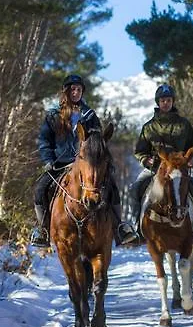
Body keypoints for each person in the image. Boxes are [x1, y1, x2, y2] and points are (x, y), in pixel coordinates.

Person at [31, 74, 138, 247]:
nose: (76, 92)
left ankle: (120, 228)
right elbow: (44, 141)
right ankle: (43, 230)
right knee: (40, 189)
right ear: (66, 91)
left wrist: (101, 161)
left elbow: (98, 141)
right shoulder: (53, 116)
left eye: (79, 90)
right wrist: (48, 159)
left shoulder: (89, 115)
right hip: (59, 164)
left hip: (86, 165)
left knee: (112, 188)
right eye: (72, 89)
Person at [127, 83, 193, 245]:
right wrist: (146, 160)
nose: (166, 103)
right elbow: (140, 151)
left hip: (181, 167)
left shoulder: (184, 124)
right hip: (157, 168)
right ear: (158, 102)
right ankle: (136, 228)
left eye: (169, 100)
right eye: (163, 100)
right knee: (134, 188)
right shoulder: (148, 127)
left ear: (173, 102)